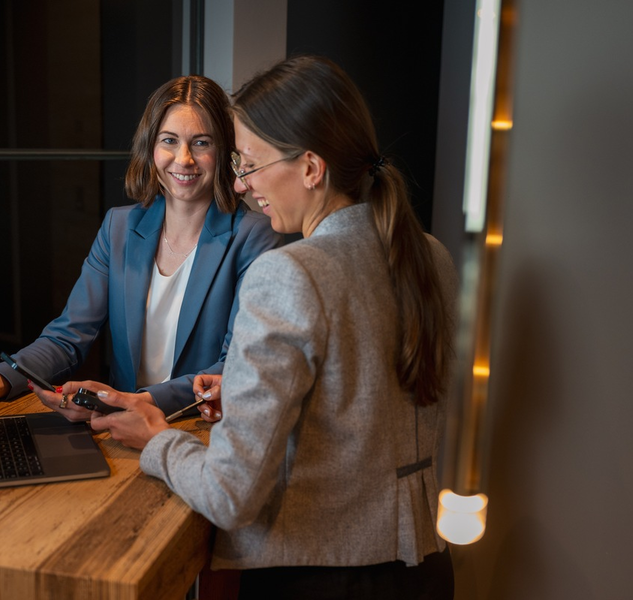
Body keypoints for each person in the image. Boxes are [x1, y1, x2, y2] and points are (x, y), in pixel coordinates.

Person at [63, 55, 458, 599]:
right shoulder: (428, 255)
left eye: (249, 163)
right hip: (421, 569)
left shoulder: (288, 272)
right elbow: (362, 409)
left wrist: (157, 438)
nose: (243, 185)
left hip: (319, 576)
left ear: (312, 168)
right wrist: (248, 396)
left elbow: (230, 494)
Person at [0, 74, 281, 418]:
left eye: (202, 143)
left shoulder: (254, 236)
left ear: (224, 150)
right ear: (150, 147)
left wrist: (130, 403)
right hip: (120, 427)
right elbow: (67, 337)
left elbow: (234, 365)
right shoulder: (119, 227)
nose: (184, 159)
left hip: (200, 430)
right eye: (169, 140)